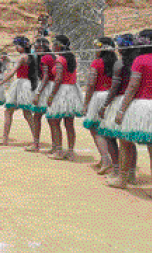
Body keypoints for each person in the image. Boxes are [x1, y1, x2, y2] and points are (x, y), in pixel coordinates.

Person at [107, 29, 152, 203]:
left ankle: (123, 179)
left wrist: (122, 110)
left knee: (125, 141)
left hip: (142, 106)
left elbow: (132, 87)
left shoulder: (140, 60)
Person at [98, 34, 139, 184]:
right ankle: (132, 174)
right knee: (129, 139)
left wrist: (104, 105)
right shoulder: (137, 62)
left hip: (120, 101)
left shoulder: (120, 64)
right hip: (135, 103)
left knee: (110, 136)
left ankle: (117, 169)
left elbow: (115, 88)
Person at [44, 35, 83, 160]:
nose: (52, 46)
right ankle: (70, 151)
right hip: (72, 90)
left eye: (54, 44)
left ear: (59, 45)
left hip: (62, 91)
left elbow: (58, 78)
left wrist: (51, 95)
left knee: (55, 121)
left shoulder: (60, 59)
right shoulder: (72, 58)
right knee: (69, 123)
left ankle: (59, 150)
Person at [0, 36, 38, 146]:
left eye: (17, 45)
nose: (16, 47)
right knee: (27, 113)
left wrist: (0, 83)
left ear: (22, 46)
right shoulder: (32, 57)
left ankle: (5, 139)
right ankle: (35, 138)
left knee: (9, 111)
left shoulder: (22, 57)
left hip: (20, 84)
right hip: (27, 84)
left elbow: (12, 72)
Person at [82, 37, 117, 175]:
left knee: (95, 128)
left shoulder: (96, 63)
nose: (95, 49)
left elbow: (91, 84)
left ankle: (105, 159)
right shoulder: (117, 63)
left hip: (99, 96)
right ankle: (114, 162)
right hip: (113, 97)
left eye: (97, 46)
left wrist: (86, 103)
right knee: (109, 129)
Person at [30, 38, 56, 152]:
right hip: (52, 86)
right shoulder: (53, 56)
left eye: (38, 48)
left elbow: (45, 77)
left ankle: (36, 144)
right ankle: (55, 146)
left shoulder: (45, 58)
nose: (36, 50)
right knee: (51, 119)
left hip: (46, 87)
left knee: (37, 116)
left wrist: (38, 93)